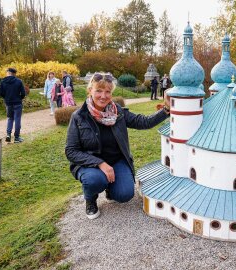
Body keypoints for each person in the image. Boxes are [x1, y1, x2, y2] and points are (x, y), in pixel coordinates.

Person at [65, 72, 170, 219]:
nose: (103, 96)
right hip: (90, 164)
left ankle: (110, 188)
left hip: (116, 161)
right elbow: (71, 151)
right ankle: (90, 199)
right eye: (99, 91)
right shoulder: (79, 117)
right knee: (95, 180)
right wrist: (100, 163)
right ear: (90, 91)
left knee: (124, 194)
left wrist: (166, 109)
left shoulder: (117, 112)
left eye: (107, 91)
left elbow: (143, 122)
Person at [0, 67, 26, 143]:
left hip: (8, 103)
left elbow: (0, 93)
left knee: (10, 118)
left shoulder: (3, 81)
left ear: (8, 72)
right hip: (17, 103)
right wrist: (19, 98)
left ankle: (8, 135)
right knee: (17, 119)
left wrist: (6, 98)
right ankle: (16, 137)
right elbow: (23, 93)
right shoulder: (19, 81)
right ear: (14, 73)